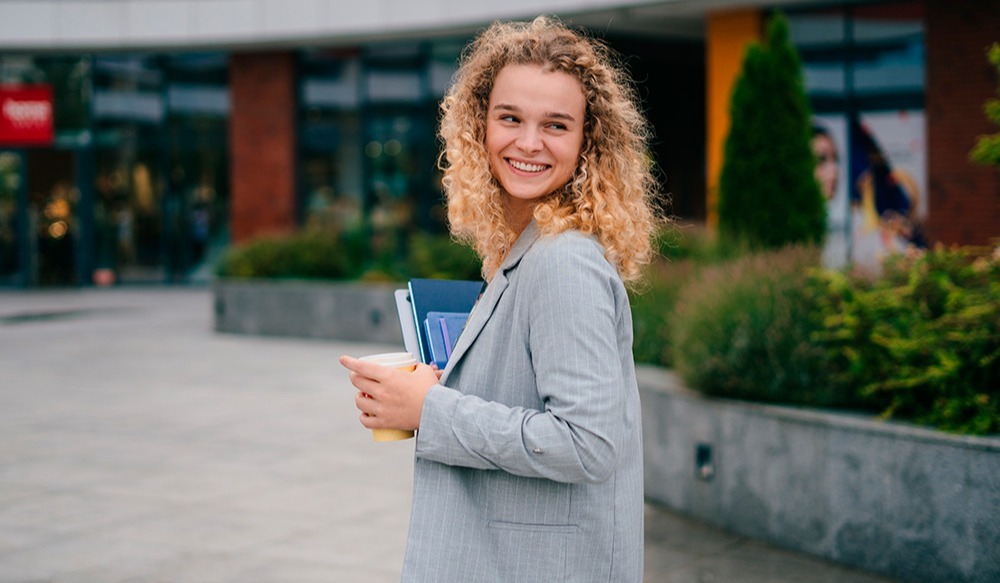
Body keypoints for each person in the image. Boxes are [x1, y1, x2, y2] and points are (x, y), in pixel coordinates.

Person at [340, 16, 661, 583]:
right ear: (478, 125)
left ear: (589, 141)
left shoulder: (564, 263)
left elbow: (587, 444)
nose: (528, 142)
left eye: (556, 125)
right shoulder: (528, 248)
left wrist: (430, 408)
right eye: (510, 117)